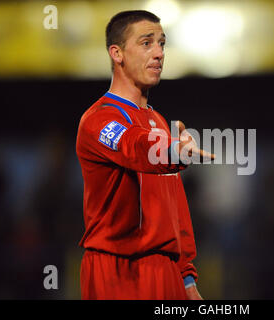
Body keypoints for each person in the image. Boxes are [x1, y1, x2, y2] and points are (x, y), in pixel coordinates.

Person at [76, 10, 213, 300]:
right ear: (117, 53)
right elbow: (133, 146)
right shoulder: (98, 120)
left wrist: (187, 277)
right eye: (146, 43)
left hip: (165, 270)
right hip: (115, 269)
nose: (159, 53)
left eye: (162, 44)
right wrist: (171, 150)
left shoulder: (161, 121)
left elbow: (175, 206)